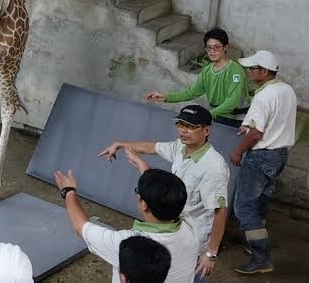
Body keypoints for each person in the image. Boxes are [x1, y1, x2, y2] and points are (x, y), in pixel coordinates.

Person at [98, 105, 230, 282]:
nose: (183, 130)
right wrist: (121, 145)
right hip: (174, 230)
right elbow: (152, 147)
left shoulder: (214, 168)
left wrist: (211, 253)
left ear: (206, 130)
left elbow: (220, 212)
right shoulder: (180, 147)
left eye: (191, 126)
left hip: (194, 242)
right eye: (181, 124)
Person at [54, 168, 198, 283]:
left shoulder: (130, 245)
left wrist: (68, 191)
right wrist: (140, 164)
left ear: (144, 204)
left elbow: (81, 227)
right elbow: (165, 195)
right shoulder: (191, 224)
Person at [229, 50, 297, 275]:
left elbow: (257, 133)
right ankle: (256, 242)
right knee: (261, 199)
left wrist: (238, 151)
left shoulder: (263, 96)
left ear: (264, 72)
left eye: (252, 68)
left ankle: (261, 258)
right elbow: (273, 120)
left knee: (243, 207)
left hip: (260, 156)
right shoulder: (285, 89)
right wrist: (249, 125)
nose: (249, 71)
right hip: (279, 155)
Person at [146, 28, 248, 127]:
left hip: (235, 119)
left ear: (225, 47)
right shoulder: (207, 70)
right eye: (209, 47)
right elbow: (192, 92)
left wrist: (209, 115)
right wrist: (166, 97)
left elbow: (232, 102)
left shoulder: (235, 71)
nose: (212, 51)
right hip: (217, 117)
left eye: (216, 47)